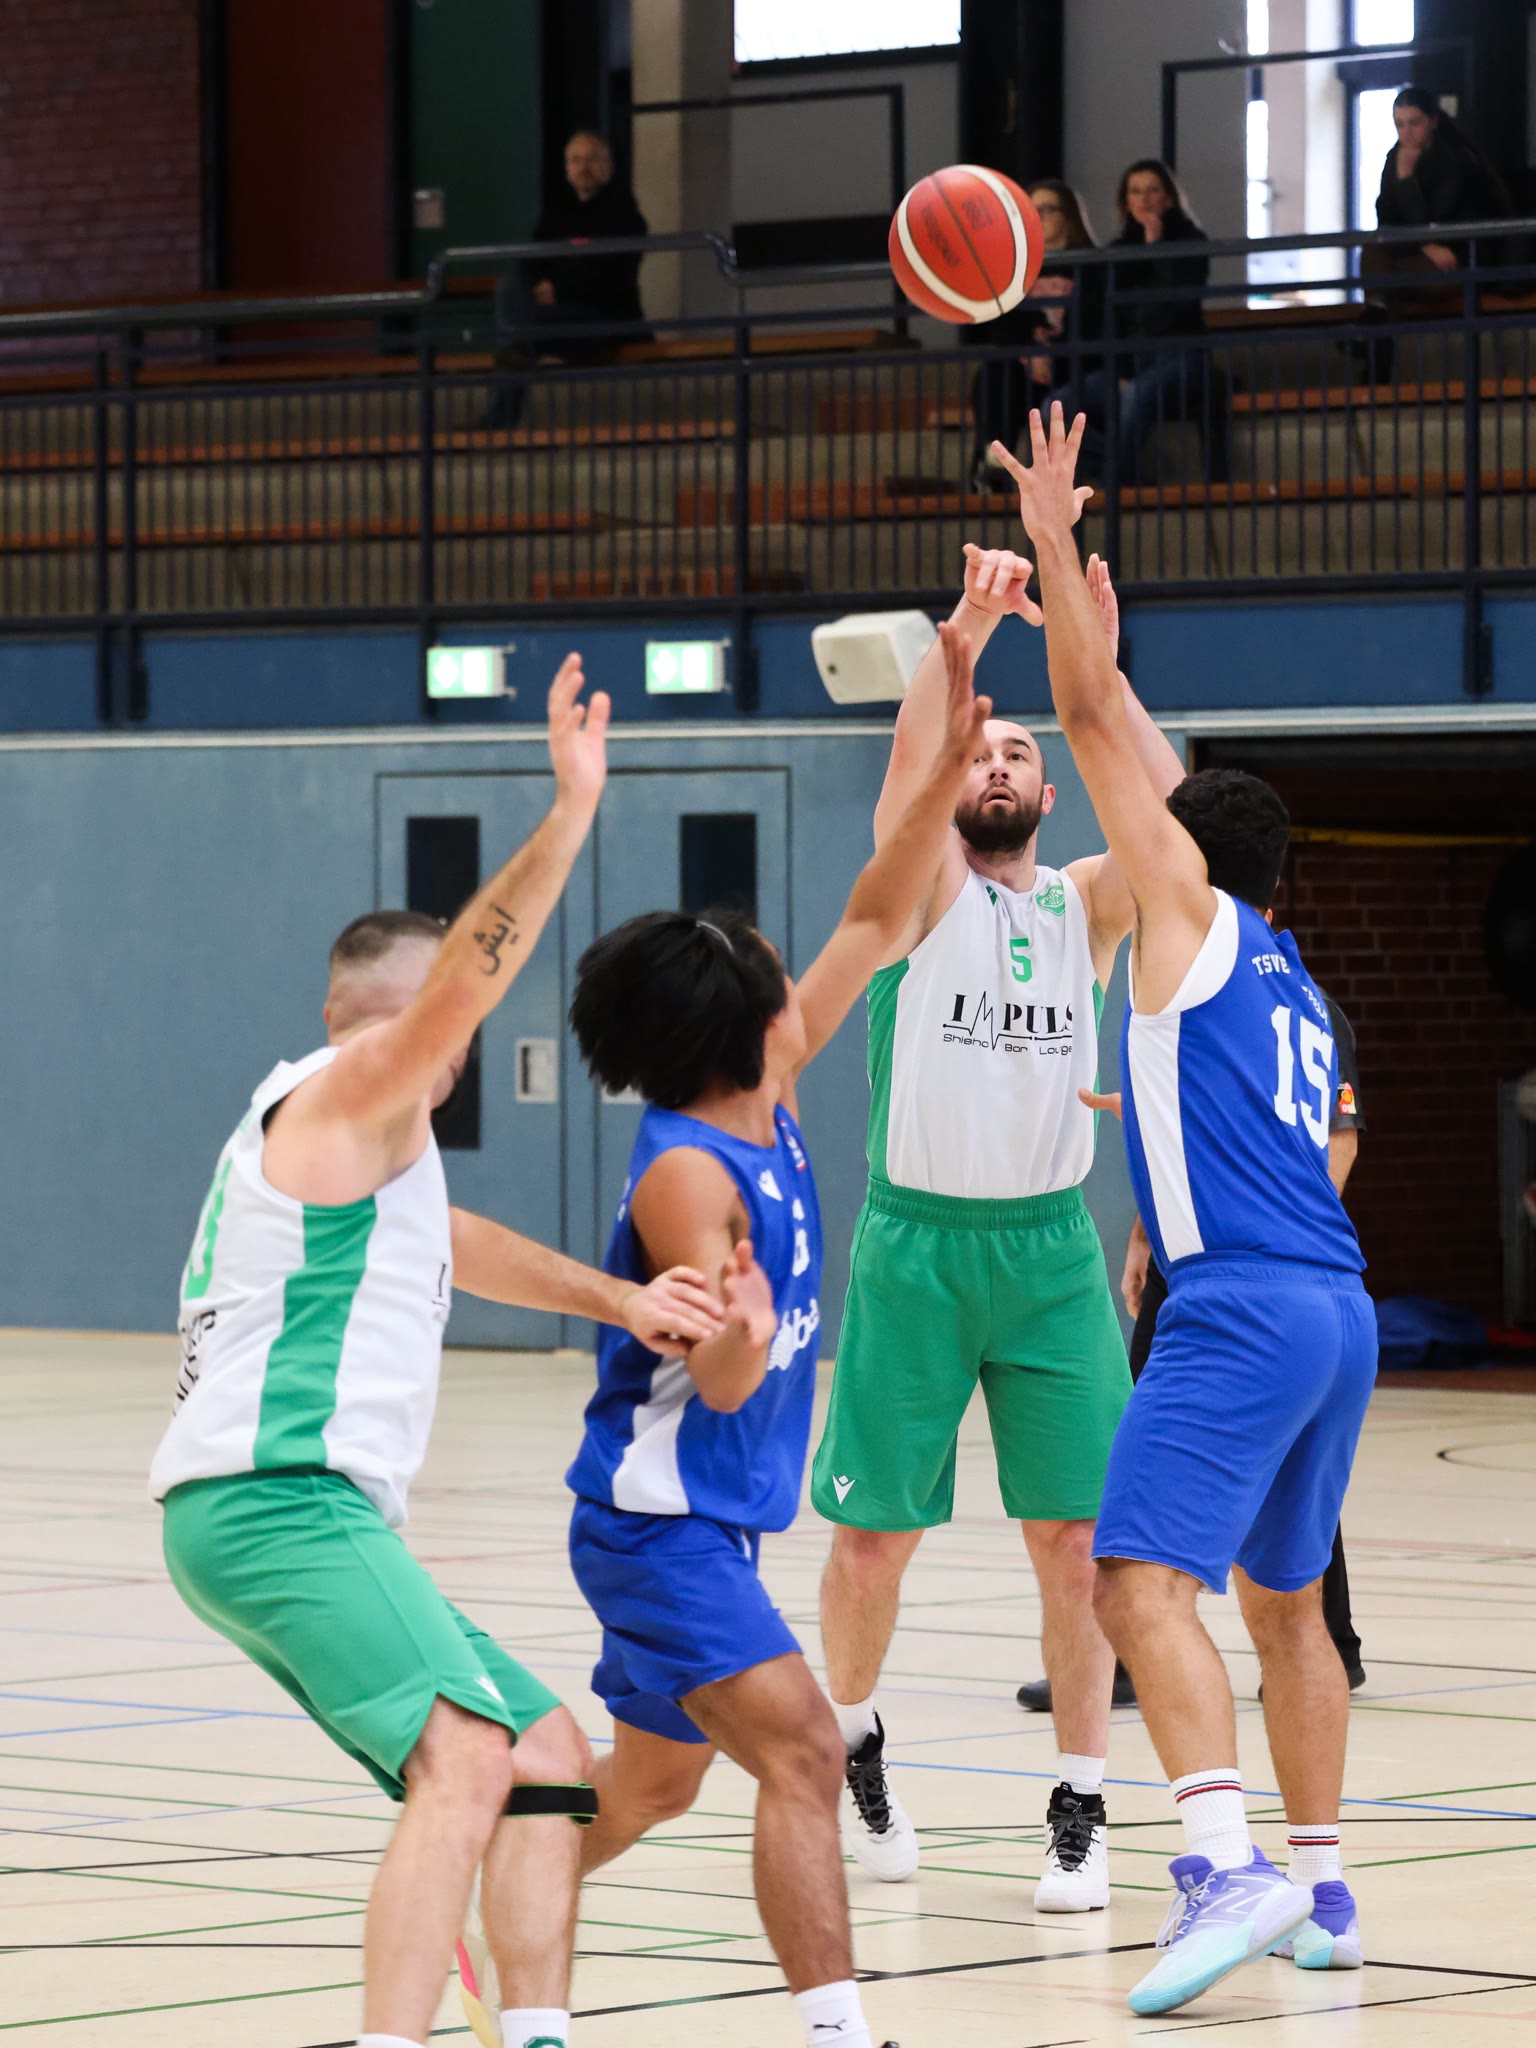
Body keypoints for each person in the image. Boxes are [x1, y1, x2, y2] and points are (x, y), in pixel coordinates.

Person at [149, 658, 724, 2048]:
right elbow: (460, 988)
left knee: (545, 1755)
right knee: (464, 1757)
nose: (452, 1044)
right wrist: (569, 815)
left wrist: (619, 1299)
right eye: (436, 1024)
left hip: (294, 1509)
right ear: (377, 1020)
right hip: (276, 1498)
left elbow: (454, 1241)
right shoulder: (349, 1089)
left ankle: (536, 2030)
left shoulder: (369, 1152)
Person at [553, 629, 992, 2048]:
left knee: (650, 1786)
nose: (790, 967)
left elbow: (880, 909)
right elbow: (723, 1371)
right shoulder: (691, 1174)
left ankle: (479, 1874)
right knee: (805, 1750)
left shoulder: (773, 1083)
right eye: (766, 967)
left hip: (715, 1523)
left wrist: (951, 723)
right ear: (732, 1019)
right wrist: (739, 1326)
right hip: (659, 1527)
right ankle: (838, 2031)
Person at [996, 404, 1377, 2015]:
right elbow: (1146, 755)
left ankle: (1222, 1869)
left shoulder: (1182, 917)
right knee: (1290, 1609)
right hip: (1338, 1309)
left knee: (1132, 1583)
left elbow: (1087, 721)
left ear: (1179, 861)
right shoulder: (1289, 973)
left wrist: (1056, 544)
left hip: (1238, 1308)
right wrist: (1111, 643)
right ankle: (1326, 1882)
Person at [810, 535, 1185, 1911]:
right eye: (982, 751)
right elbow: (914, 764)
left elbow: (1169, 812)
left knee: (1080, 1545)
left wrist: (1096, 668)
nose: (998, 763)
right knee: (873, 1545)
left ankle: (1081, 1801)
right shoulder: (922, 893)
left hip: (1048, 1253)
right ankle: (855, 1744)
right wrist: (962, 642)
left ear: (1047, 788)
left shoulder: (1085, 908)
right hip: (915, 1248)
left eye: (1022, 751)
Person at [1017, 991, 1368, 1713]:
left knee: (1293, 1451)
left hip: (1266, 1270)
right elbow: (1186, 1139)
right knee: (1137, 1429)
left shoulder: (1301, 1005)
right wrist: (1145, 1234)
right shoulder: (1196, 1003)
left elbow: (1341, 1138)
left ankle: (1329, 1641)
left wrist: (1294, 1242)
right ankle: (1121, 1653)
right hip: (1195, 1260)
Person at [1081, 159, 1227, 488]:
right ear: (1125, 202)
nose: (1144, 199)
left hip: (1180, 356)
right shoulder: (1117, 251)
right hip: (1129, 360)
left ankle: (1115, 481)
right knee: (1055, 407)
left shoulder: (1191, 240)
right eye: (1135, 191)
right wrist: (1119, 369)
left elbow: (1181, 299)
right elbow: (1109, 316)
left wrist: (1156, 246)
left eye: (1152, 190)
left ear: (1169, 198)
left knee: (1135, 395)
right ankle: (1117, 470)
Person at [487, 131, 649, 427]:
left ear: (608, 166)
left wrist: (559, 290)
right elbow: (531, 259)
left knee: (515, 338)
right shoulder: (557, 214)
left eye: (591, 159)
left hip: (603, 318)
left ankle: (501, 417)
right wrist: (538, 284)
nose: (583, 167)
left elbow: (614, 276)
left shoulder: (624, 215)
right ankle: (519, 352)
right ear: (567, 169)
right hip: (554, 315)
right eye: (575, 160)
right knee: (508, 290)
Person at [969, 181, 1105, 492]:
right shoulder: (1015, 267)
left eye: (1047, 209)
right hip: (1025, 366)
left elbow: (1094, 324)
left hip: (1074, 363)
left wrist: (1051, 355)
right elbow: (1002, 326)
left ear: (1068, 217)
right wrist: (1031, 354)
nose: (1039, 217)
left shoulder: (1091, 265)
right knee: (994, 372)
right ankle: (993, 461)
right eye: (1031, 211)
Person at [1370, 87, 1515, 287]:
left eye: (1415, 123)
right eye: (1400, 124)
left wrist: (1406, 181)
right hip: (1415, 248)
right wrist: (1423, 245)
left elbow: (1438, 216)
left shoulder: (1457, 159)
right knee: (1372, 254)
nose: (1407, 133)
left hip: (1458, 253)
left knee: (1395, 276)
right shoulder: (1394, 159)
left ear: (1433, 121)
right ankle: (1378, 304)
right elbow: (1385, 218)